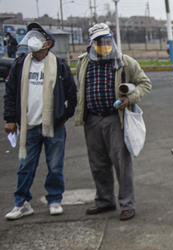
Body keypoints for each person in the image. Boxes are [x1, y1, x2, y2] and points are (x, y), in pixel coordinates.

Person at [74, 23, 151, 221]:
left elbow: (145, 84)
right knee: (98, 163)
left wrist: (129, 99)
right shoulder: (83, 63)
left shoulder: (125, 62)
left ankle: (127, 205)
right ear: (91, 43)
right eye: (100, 42)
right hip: (92, 119)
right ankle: (104, 201)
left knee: (121, 163)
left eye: (108, 41)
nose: (104, 45)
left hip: (114, 119)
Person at [3, 23, 77, 220]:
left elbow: (72, 93)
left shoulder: (59, 65)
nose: (33, 39)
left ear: (48, 43)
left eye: (39, 36)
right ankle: (21, 203)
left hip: (54, 126)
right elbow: (10, 93)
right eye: (32, 35)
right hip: (29, 125)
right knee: (24, 166)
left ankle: (54, 200)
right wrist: (10, 118)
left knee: (55, 166)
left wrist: (63, 116)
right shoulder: (20, 64)